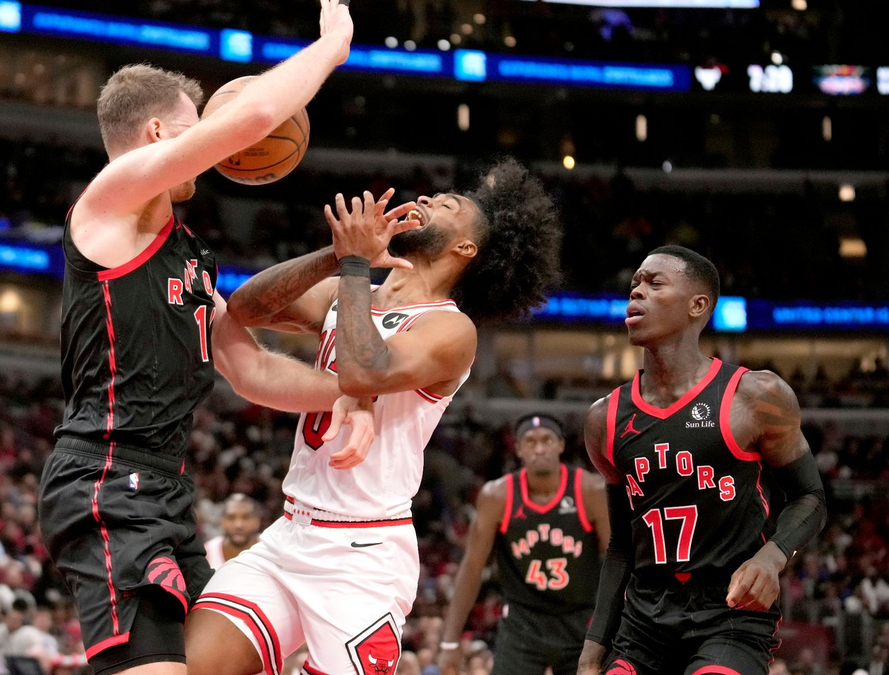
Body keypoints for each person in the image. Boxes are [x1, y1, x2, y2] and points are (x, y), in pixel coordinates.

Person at [38, 4, 367, 675]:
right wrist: (332, 47)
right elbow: (248, 119)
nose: (218, 149)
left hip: (163, 489)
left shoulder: (189, 255)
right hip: (105, 477)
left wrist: (350, 392)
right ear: (159, 132)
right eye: (197, 130)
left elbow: (249, 368)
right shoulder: (109, 202)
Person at [187, 158, 563, 675]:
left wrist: (356, 267)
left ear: (465, 249)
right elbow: (249, 307)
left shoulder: (451, 331)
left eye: (446, 205)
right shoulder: (355, 288)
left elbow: (362, 372)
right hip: (289, 534)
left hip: (362, 554)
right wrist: (338, 255)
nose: (427, 200)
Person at [577, 246, 827, 675]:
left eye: (655, 284)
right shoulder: (605, 419)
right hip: (644, 619)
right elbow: (621, 546)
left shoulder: (755, 396)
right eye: (635, 283)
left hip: (730, 610)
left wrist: (773, 556)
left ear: (698, 305)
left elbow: (811, 496)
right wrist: (592, 648)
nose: (636, 292)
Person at [437, 414, 609, 675]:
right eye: (530, 441)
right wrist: (449, 641)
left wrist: (617, 629)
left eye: (547, 440)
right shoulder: (498, 496)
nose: (539, 448)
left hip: (581, 620)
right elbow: (472, 568)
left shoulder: (590, 491)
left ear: (561, 445)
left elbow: (616, 561)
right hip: (522, 622)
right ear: (518, 449)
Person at [204, 494, 263, 569]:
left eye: (246, 517)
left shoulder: (272, 550)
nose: (238, 525)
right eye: (231, 518)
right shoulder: (207, 553)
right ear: (222, 521)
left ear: (257, 521)